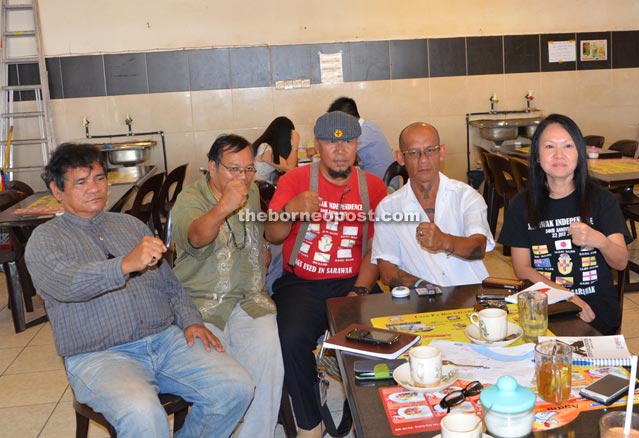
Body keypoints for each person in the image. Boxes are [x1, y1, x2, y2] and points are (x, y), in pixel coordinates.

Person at [24, 143, 253, 438]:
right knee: (142, 413)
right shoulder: (44, 240)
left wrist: (190, 319)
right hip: (100, 356)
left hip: (165, 341)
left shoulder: (130, 225)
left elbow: (170, 285)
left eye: (99, 178)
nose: (94, 188)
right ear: (57, 190)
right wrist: (124, 264)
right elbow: (66, 283)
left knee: (237, 386)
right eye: (81, 182)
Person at [265, 111, 387, 437]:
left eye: (347, 141)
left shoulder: (373, 188)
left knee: (382, 337)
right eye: (330, 141)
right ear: (317, 144)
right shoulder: (294, 181)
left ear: (357, 145)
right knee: (290, 338)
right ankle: (309, 423)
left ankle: (368, 411)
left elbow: (377, 248)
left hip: (352, 281)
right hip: (301, 283)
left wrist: (359, 291)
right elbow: (273, 235)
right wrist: (291, 209)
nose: (339, 149)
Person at [171, 134, 284, 437]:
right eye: (234, 169)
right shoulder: (190, 198)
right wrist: (223, 207)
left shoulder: (253, 193)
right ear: (211, 166)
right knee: (223, 374)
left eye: (249, 169)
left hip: (250, 299)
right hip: (203, 304)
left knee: (269, 359)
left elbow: (260, 235)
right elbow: (196, 237)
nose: (244, 177)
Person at [498, 114, 630, 335]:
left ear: (579, 152)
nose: (559, 154)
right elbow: (522, 268)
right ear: (538, 156)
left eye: (568, 146)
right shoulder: (521, 204)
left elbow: (621, 262)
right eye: (549, 146)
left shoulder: (601, 199)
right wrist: (568, 297)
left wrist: (600, 241)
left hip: (597, 310)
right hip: (547, 307)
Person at [373, 122, 494, 288]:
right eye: (413, 153)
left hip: (470, 294)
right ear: (400, 158)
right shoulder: (388, 208)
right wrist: (427, 288)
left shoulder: (466, 196)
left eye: (430, 151)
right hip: (420, 300)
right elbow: (387, 272)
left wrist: (445, 241)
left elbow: (478, 248)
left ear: (441, 152)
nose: (423, 160)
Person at [328, 97, 394, 181]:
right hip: (374, 178)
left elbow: (342, 154)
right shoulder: (365, 126)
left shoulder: (364, 131)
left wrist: (319, 149)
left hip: (384, 184)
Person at [253, 116, 300, 184]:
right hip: (259, 189)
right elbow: (290, 169)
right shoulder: (265, 148)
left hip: (266, 186)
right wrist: (295, 143)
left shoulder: (272, 147)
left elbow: (293, 168)